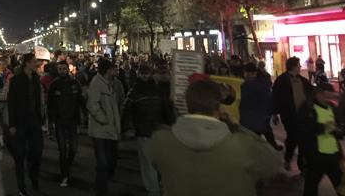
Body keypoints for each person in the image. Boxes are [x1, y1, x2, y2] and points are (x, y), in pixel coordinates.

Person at [150, 80, 284, 196]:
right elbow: (273, 163)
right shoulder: (241, 144)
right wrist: (238, 128)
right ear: (219, 107)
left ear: (188, 104)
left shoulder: (160, 140)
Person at [122, 64, 175, 196]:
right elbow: (167, 109)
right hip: (160, 130)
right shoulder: (158, 90)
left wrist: (123, 129)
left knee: (148, 163)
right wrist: (171, 123)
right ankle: (162, 186)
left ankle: (154, 190)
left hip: (144, 131)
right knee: (161, 160)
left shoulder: (134, 91)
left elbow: (126, 111)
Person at [8, 53, 44, 196]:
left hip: (34, 121)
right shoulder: (16, 80)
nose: (37, 64)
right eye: (35, 61)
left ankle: (33, 176)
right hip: (20, 122)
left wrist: (41, 117)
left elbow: (38, 100)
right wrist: (12, 124)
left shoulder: (36, 79)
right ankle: (21, 186)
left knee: (37, 152)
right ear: (27, 63)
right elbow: (12, 103)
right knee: (19, 155)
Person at [300, 83, 343, 196]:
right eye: (326, 96)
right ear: (318, 94)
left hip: (333, 152)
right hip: (315, 155)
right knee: (311, 185)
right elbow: (303, 129)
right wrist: (323, 127)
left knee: (341, 185)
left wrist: (339, 131)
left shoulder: (332, 107)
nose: (328, 99)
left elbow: (338, 126)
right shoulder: (308, 108)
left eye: (331, 97)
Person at [87, 58, 122, 196]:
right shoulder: (96, 84)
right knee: (103, 161)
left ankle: (101, 184)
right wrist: (104, 119)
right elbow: (92, 105)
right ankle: (101, 189)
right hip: (100, 130)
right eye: (113, 69)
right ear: (108, 70)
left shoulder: (113, 83)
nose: (116, 71)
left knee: (108, 159)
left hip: (110, 128)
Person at [272, 56, 313, 171]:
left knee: (303, 139)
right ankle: (288, 158)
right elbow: (275, 97)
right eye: (298, 65)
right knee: (293, 138)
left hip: (303, 115)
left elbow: (311, 93)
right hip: (289, 115)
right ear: (294, 66)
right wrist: (275, 113)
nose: (300, 67)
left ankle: (302, 164)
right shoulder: (281, 81)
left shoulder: (303, 81)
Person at [47, 60, 84, 187]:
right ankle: (65, 175)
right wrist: (50, 121)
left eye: (64, 68)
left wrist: (83, 118)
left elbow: (81, 101)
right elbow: (49, 105)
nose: (62, 71)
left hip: (73, 120)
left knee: (73, 149)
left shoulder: (75, 83)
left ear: (68, 69)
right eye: (60, 68)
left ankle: (67, 167)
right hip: (59, 121)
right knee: (62, 150)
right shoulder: (54, 85)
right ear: (57, 70)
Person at [240, 63, 281, 150]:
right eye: (246, 73)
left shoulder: (260, 85)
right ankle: (273, 146)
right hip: (253, 116)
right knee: (264, 132)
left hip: (257, 116)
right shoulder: (244, 85)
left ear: (255, 74)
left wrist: (273, 113)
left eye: (249, 73)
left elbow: (269, 99)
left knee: (257, 136)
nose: (247, 75)